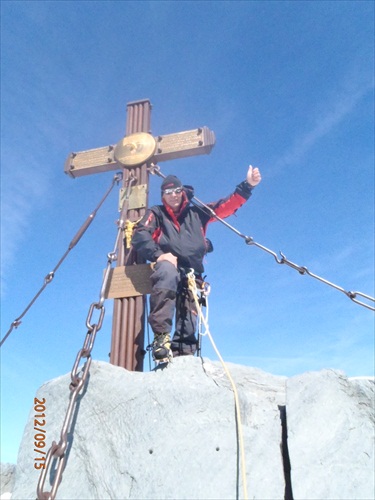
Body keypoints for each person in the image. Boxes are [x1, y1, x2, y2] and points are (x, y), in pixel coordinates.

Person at [131, 165, 262, 361]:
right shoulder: (156, 213)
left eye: (177, 190)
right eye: (168, 192)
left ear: (182, 192)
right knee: (166, 272)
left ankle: (183, 355)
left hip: (192, 274)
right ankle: (161, 338)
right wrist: (159, 255)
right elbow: (140, 234)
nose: (174, 195)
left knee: (189, 316)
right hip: (169, 267)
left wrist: (248, 186)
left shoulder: (198, 213)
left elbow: (224, 206)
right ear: (163, 195)